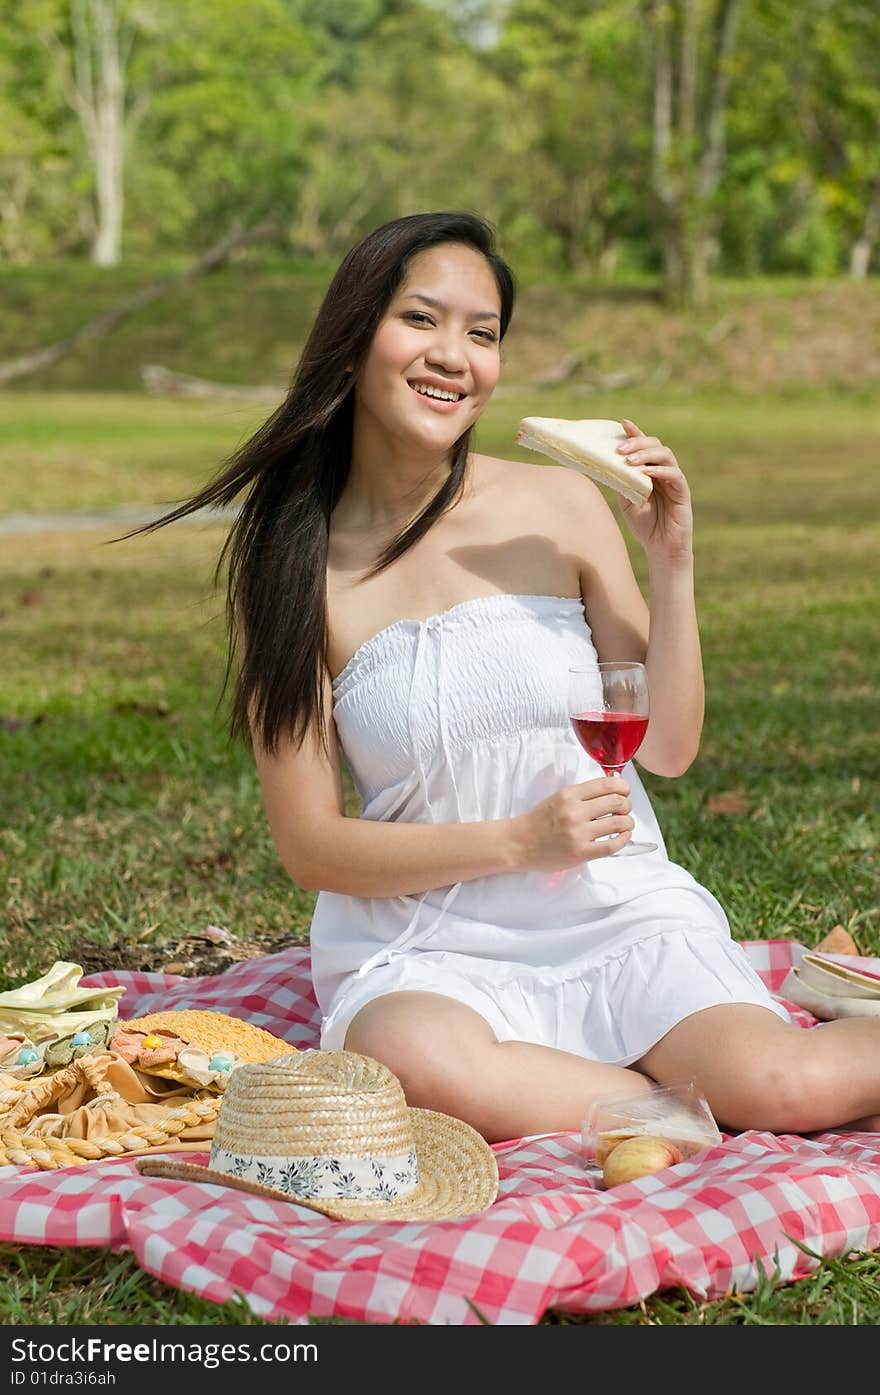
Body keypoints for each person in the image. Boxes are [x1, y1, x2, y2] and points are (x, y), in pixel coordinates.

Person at [138, 210, 880, 1145]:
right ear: (355, 333)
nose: (454, 355)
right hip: (426, 944)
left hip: (612, 911)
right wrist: (519, 841)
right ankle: (670, 1104)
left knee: (785, 1083)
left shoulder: (560, 502)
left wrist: (672, 564)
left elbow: (676, 746)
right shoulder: (297, 562)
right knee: (415, 1063)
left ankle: (677, 1092)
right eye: (421, 320)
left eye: (481, 334)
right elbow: (311, 845)